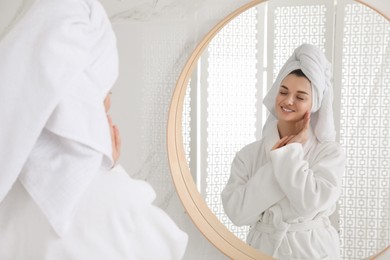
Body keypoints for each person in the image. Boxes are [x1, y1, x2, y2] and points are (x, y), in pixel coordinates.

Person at [0, 0, 187, 259]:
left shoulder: (7, 192)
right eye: (106, 89)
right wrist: (111, 175)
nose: (109, 103)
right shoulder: (121, 209)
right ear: (83, 93)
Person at [221, 44, 345, 260]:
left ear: (313, 104)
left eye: (300, 96)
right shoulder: (249, 154)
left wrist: (288, 156)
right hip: (263, 249)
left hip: (313, 250)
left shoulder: (329, 153)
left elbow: (310, 203)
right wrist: (283, 158)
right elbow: (238, 214)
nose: (288, 101)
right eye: (283, 92)